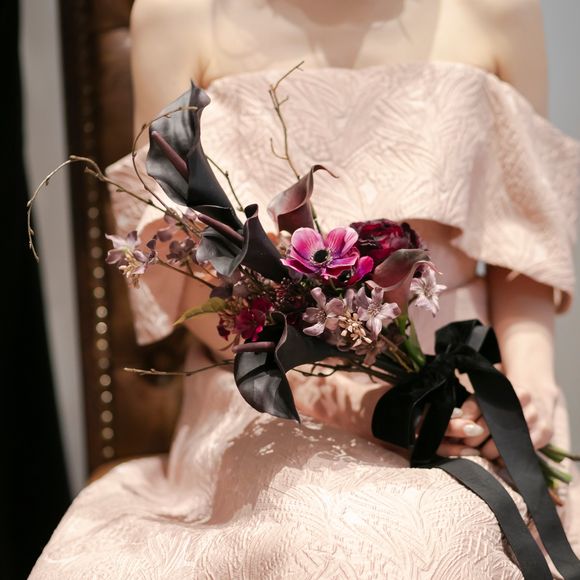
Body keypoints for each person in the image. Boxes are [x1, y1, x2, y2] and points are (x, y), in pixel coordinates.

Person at [31, 0, 580, 577]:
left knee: (462, 527)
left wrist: (529, 382)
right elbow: (182, 270)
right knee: (355, 538)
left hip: (463, 380)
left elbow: (525, 235)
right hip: (271, 388)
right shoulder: (177, 14)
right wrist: (343, 399)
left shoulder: (500, 10)